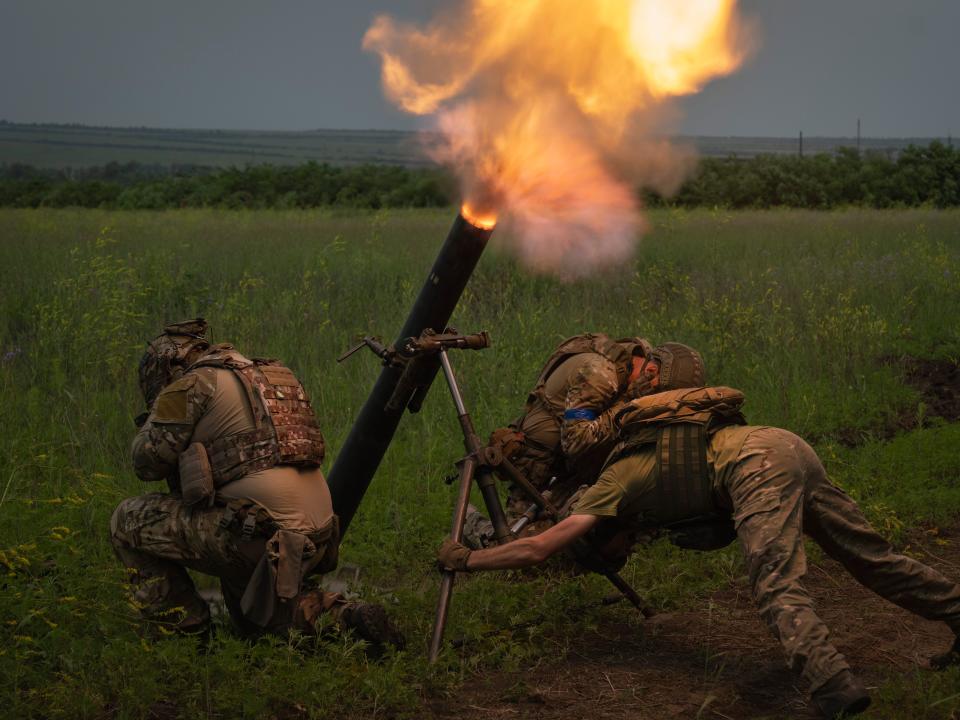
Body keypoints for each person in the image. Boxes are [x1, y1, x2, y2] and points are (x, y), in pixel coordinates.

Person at [438, 342, 960, 720]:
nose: (626, 548)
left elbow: (539, 547)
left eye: (615, 547)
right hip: (786, 444)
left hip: (757, 466)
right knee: (867, 554)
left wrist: (466, 559)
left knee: (774, 580)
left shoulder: (615, 485)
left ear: (607, 529)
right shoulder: (649, 452)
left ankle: (832, 685)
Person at [111, 319, 403, 651]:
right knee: (258, 624)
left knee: (126, 521)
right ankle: (347, 618)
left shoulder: (191, 384)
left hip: (258, 535)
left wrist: (156, 415)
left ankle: (183, 635)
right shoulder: (271, 374)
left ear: (166, 369)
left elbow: (145, 462)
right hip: (317, 535)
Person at [462, 333, 656, 548]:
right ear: (650, 370)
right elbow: (576, 442)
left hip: (568, 461)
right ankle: (467, 521)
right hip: (540, 462)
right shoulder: (601, 374)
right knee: (510, 547)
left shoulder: (635, 360)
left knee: (563, 538)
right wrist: (628, 403)